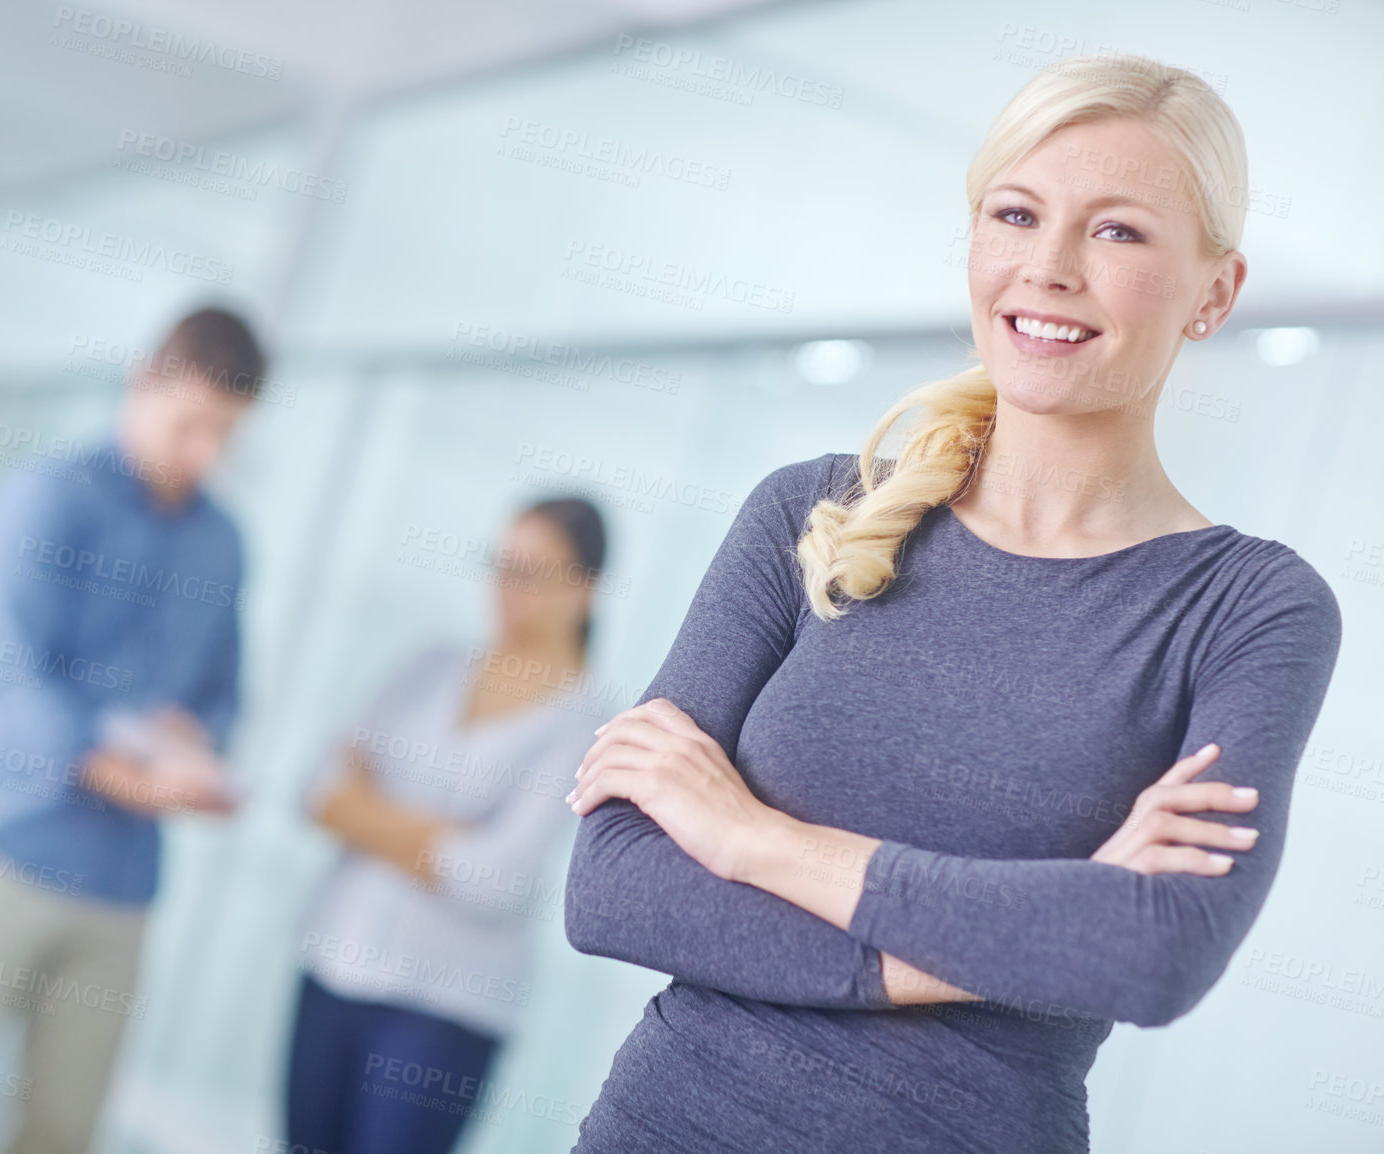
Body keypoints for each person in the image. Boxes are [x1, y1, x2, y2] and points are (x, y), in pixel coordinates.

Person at [563, 54, 1344, 1153]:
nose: (1049, 267)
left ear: (1214, 291)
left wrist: (747, 837)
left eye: (1116, 231)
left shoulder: (1248, 607)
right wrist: (1046, 913)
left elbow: (1150, 953)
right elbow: (615, 888)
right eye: (1015, 214)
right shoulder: (812, 509)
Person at [0, 307, 267, 1154]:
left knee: (61, 1135)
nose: (205, 454)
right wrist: (141, 780)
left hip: (119, 889)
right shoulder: (46, 499)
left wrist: (199, 740)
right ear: (146, 383)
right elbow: (12, 682)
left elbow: (224, 690)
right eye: (192, 426)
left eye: (226, 435)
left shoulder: (225, 544)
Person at [286, 497, 610, 1154]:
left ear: (585, 591)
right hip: (333, 966)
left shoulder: (588, 725)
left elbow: (496, 879)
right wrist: (443, 835)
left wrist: (367, 813)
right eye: (502, 565)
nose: (508, 589)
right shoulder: (429, 667)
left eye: (535, 573)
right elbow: (320, 792)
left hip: (446, 1014)